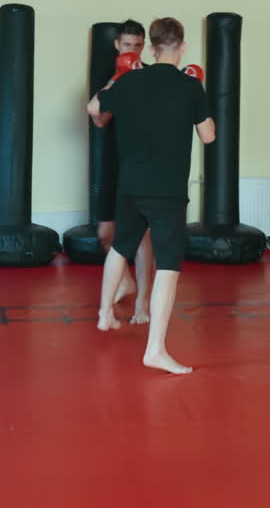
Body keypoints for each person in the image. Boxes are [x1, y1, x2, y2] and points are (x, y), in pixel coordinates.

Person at [86, 17, 215, 374]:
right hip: (167, 192)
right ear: (182, 47)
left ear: (152, 48)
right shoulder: (190, 86)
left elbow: (94, 108)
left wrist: (118, 77)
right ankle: (155, 350)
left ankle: (104, 314)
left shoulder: (129, 80)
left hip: (129, 186)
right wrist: (197, 98)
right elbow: (208, 136)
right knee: (168, 267)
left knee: (119, 248)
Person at [98, 20, 156, 324]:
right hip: (112, 160)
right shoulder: (109, 76)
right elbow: (100, 119)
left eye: (136, 45)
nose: (131, 50)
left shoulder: (150, 77)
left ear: (143, 46)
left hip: (140, 163)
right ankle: (125, 282)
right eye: (126, 45)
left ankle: (143, 304)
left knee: (143, 237)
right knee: (105, 233)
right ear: (117, 45)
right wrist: (118, 78)